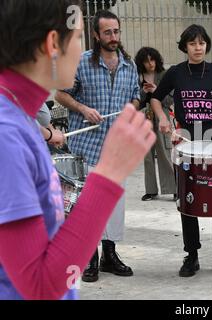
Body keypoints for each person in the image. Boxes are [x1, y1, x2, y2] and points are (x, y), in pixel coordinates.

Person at [0, 0, 154, 300]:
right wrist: (109, 174)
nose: (83, 50)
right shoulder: (8, 135)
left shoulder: (19, 117)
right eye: (80, 37)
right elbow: (41, 286)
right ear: (53, 44)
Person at [151, 24, 212, 278]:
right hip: (185, 141)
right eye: (193, 43)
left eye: (202, 43)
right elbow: (155, 98)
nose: (198, 47)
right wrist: (162, 118)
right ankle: (191, 255)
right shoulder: (175, 73)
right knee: (188, 198)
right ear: (185, 46)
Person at [55, 9, 141, 283]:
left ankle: (110, 255)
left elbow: (136, 96)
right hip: (87, 146)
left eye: (116, 31)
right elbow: (60, 93)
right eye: (107, 32)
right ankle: (88, 257)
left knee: (114, 204)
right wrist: (83, 108)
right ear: (95, 34)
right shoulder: (80, 63)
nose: (113, 37)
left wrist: (131, 109)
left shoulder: (129, 64)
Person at [135, 47, 176, 202]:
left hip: (162, 115)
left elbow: (170, 100)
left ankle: (173, 188)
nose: (150, 64)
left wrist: (157, 90)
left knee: (165, 152)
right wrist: (144, 92)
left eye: (152, 60)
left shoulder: (164, 75)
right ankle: (151, 190)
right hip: (144, 116)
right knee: (147, 154)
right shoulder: (138, 77)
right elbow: (135, 102)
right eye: (146, 61)